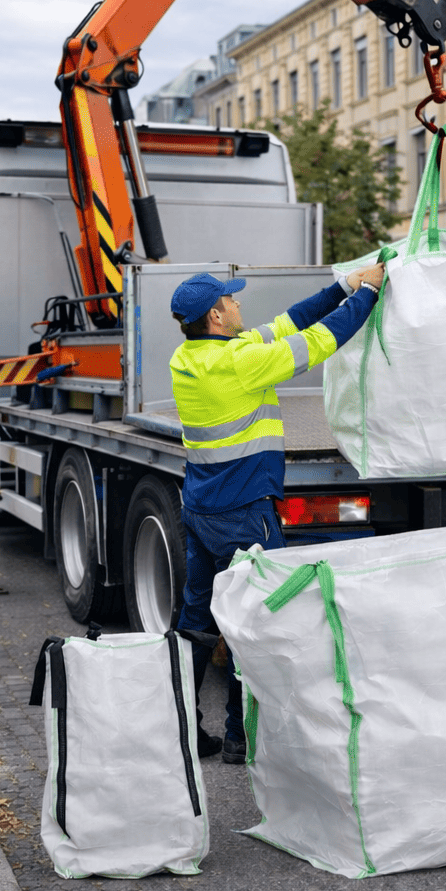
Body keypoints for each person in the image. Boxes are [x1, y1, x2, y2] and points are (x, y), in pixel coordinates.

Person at [169, 265, 386, 762]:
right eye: (232, 300)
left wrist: (343, 287)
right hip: (243, 512)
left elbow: (288, 324)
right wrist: (372, 290)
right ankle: (243, 738)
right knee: (259, 621)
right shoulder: (240, 361)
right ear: (217, 314)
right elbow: (319, 341)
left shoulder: (191, 356)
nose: (240, 305)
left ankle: (180, 726)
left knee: (197, 619)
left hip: (201, 508)